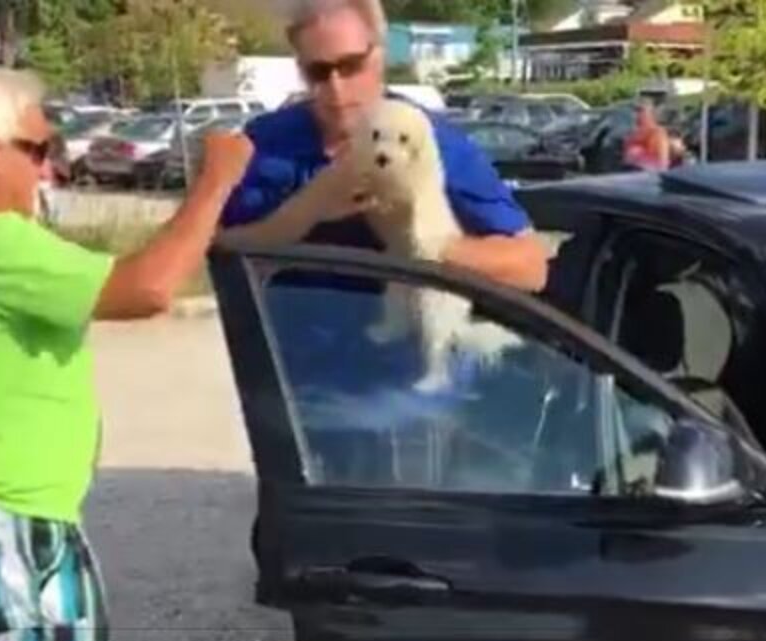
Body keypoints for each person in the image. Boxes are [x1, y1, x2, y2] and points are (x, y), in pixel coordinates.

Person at [0, 66, 253, 641]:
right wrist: (214, 183)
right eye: (39, 149)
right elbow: (146, 289)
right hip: (0, 523)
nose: (50, 169)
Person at [217, 0, 548, 486]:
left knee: (405, 551)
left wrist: (428, 242)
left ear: (379, 55)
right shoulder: (265, 145)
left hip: (408, 397)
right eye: (318, 71)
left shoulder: (432, 142)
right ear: (299, 68)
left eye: (351, 65)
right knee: (303, 551)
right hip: (300, 394)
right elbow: (221, 251)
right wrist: (311, 205)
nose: (336, 88)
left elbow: (530, 267)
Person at [623, 101, 672, 172]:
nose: (637, 115)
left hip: (647, 174)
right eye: (636, 111)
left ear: (651, 114)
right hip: (629, 172)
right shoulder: (632, 133)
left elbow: (661, 162)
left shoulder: (657, 132)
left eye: (641, 111)